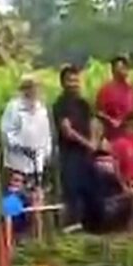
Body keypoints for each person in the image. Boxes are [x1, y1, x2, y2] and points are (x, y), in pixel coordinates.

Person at [52, 65, 96, 227]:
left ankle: (91, 223)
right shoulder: (60, 104)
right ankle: (72, 223)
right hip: (69, 152)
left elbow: (93, 122)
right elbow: (66, 131)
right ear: (63, 82)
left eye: (76, 80)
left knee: (89, 186)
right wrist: (88, 143)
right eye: (70, 80)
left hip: (86, 152)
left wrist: (95, 142)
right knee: (72, 187)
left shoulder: (83, 103)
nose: (74, 83)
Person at [1, 74, 53, 187]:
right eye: (30, 87)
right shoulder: (14, 108)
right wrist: (23, 146)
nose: (34, 91)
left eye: (36, 87)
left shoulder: (41, 110)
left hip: (37, 165)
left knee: (35, 197)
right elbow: (6, 134)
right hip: (17, 164)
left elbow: (46, 135)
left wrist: (46, 154)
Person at [82, 148, 133, 234]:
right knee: (130, 197)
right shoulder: (97, 176)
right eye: (106, 162)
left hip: (93, 215)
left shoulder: (91, 174)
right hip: (99, 214)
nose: (110, 165)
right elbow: (99, 201)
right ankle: (119, 228)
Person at [96, 55, 133, 141]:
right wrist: (111, 120)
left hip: (128, 134)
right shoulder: (105, 90)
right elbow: (99, 112)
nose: (125, 70)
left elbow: (131, 112)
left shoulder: (130, 90)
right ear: (113, 70)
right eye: (121, 67)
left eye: (126, 67)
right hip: (111, 135)